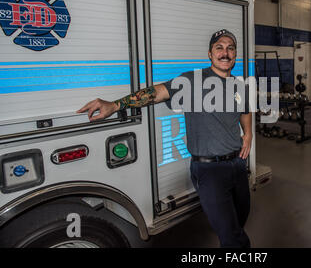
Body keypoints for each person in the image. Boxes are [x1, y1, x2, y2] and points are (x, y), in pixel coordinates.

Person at [77, 29, 252, 248]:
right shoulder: (192, 81)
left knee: (238, 223)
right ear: (210, 54)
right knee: (234, 239)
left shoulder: (239, 85)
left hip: (237, 165)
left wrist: (248, 134)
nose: (225, 53)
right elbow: (155, 93)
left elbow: (245, 111)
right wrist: (115, 105)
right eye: (219, 48)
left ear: (235, 54)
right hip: (210, 171)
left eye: (230, 48)